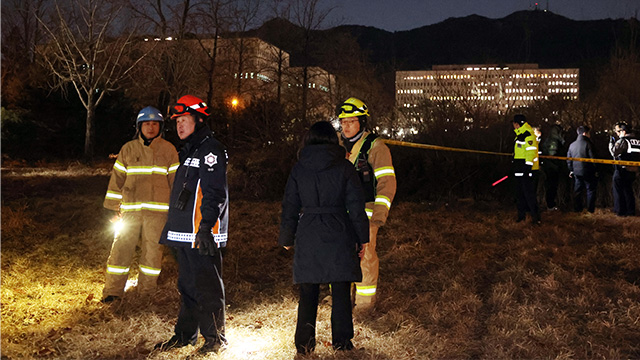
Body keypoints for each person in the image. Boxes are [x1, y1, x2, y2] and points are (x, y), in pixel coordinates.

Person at [279, 121, 369, 355]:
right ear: (333, 139)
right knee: (340, 291)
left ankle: (304, 344)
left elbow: (289, 205)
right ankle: (342, 342)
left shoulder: (299, 168)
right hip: (339, 232)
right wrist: (363, 238)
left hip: (308, 233)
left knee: (308, 292)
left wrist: (287, 238)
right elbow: (356, 207)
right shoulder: (345, 167)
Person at [155, 95, 229, 354]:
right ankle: (185, 336)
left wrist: (207, 226)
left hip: (201, 234)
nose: (180, 126)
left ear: (199, 120)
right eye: (177, 121)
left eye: (184, 120)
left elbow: (214, 193)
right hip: (183, 235)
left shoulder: (211, 150)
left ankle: (215, 340)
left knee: (207, 287)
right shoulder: (190, 150)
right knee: (187, 286)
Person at [102, 106, 179, 303]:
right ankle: (113, 292)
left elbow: (176, 182)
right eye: (147, 124)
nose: (151, 127)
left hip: (158, 213)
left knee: (153, 254)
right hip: (130, 211)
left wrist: (177, 211)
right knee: (120, 249)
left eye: (155, 124)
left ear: (160, 127)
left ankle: (146, 293)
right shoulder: (128, 149)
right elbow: (116, 181)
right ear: (139, 126)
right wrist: (111, 209)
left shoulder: (169, 150)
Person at [336, 97, 396, 314]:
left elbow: (387, 182)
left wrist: (379, 214)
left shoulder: (376, 147)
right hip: (339, 213)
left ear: (362, 122)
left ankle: (363, 306)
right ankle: (340, 300)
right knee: (339, 256)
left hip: (366, 213)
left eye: (351, 121)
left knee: (366, 257)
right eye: (343, 122)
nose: (346, 126)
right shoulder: (335, 145)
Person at [512, 114, 540, 224]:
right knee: (520, 194)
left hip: (527, 170)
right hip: (520, 169)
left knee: (529, 195)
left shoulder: (527, 134)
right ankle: (522, 216)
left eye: (514, 124)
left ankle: (535, 218)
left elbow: (531, 152)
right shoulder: (520, 134)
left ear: (517, 124)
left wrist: (527, 168)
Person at [609, 122, 640, 216]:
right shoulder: (637, 140)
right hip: (634, 170)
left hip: (622, 169)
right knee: (628, 190)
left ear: (624, 131)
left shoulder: (623, 141)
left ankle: (620, 211)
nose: (617, 134)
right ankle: (631, 211)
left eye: (618, 131)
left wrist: (611, 143)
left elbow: (614, 152)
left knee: (618, 189)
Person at [566, 126, 598, 213]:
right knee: (590, 190)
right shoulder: (589, 144)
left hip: (576, 172)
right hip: (588, 171)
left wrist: (571, 170)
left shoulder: (572, 145)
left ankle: (577, 209)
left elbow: (569, 159)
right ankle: (590, 210)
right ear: (585, 133)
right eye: (589, 133)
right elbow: (593, 159)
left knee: (577, 191)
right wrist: (596, 170)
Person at [539, 123, 566, 210]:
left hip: (549, 167)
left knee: (550, 186)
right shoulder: (554, 141)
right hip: (552, 168)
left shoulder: (549, 139)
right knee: (552, 186)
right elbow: (552, 155)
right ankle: (551, 205)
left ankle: (550, 203)